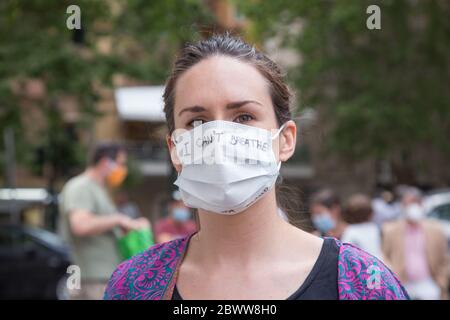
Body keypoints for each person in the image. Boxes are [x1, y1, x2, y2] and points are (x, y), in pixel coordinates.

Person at [104, 34, 408, 300]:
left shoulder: (364, 283)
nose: (219, 138)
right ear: (175, 150)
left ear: (286, 140)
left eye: (244, 117)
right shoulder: (134, 285)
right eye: (197, 122)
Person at [59, 143, 149, 300]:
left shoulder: (98, 189)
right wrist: (119, 219)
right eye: (120, 164)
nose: (122, 169)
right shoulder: (81, 186)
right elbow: (80, 225)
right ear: (105, 162)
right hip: (92, 281)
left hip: (102, 279)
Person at [382, 186, 449, 299]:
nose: (412, 207)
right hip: (402, 282)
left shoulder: (436, 230)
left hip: (429, 283)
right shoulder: (390, 230)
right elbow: (384, 255)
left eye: (415, 202)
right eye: (407, 203)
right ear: (402, 205)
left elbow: (445, 258)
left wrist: (442, 281)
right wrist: (392, 277)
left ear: (421, 204)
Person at [341, 194, 383, 260]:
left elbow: (345, 253)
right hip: (378, 264)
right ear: (370, 213)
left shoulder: (350, 230)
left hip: (362, 267)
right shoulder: (374, 228)